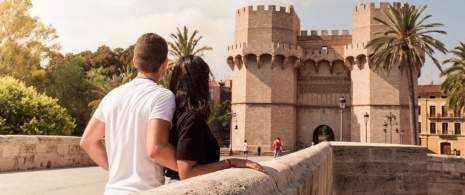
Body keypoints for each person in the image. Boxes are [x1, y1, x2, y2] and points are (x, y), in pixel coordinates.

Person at [80, 33, 177, 194]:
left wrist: (116, 171)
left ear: (135, 62)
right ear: (165, 64)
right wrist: (190, 168)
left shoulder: (112, 96)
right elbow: (156, 149)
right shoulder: (163, 97)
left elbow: (88, 141)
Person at [166, 55, 266, 181]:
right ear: (200, 83)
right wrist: (230, 162)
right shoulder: (192, 119)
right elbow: (187, 172)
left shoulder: (175, 115)